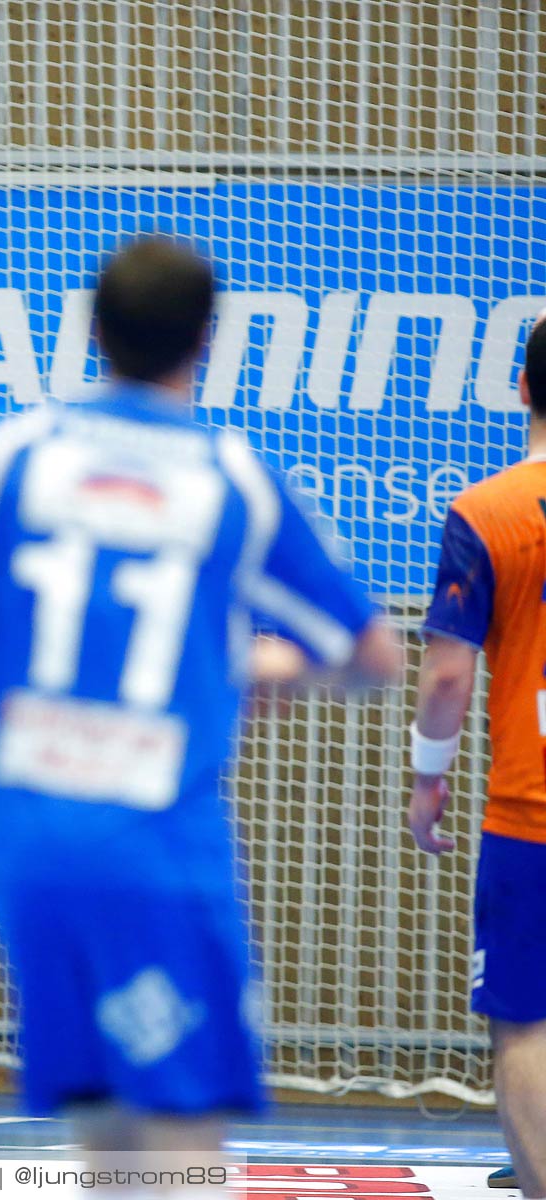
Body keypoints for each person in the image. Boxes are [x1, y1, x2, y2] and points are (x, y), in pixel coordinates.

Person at [0, 239, 402, 1186]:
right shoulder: (231, 477)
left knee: (107, 1135)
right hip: (154, 845)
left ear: (92, 331)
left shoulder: (19, 449)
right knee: (187, 1143)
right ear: (206, 339)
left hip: (25, 842)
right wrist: (266, 664)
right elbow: (372, 656)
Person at [407, 312, 546, 1198]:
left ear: (523, 388)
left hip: (531, 813)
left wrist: (428, 780)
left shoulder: (487, 512)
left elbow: (448, 676)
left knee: (526, 1025)